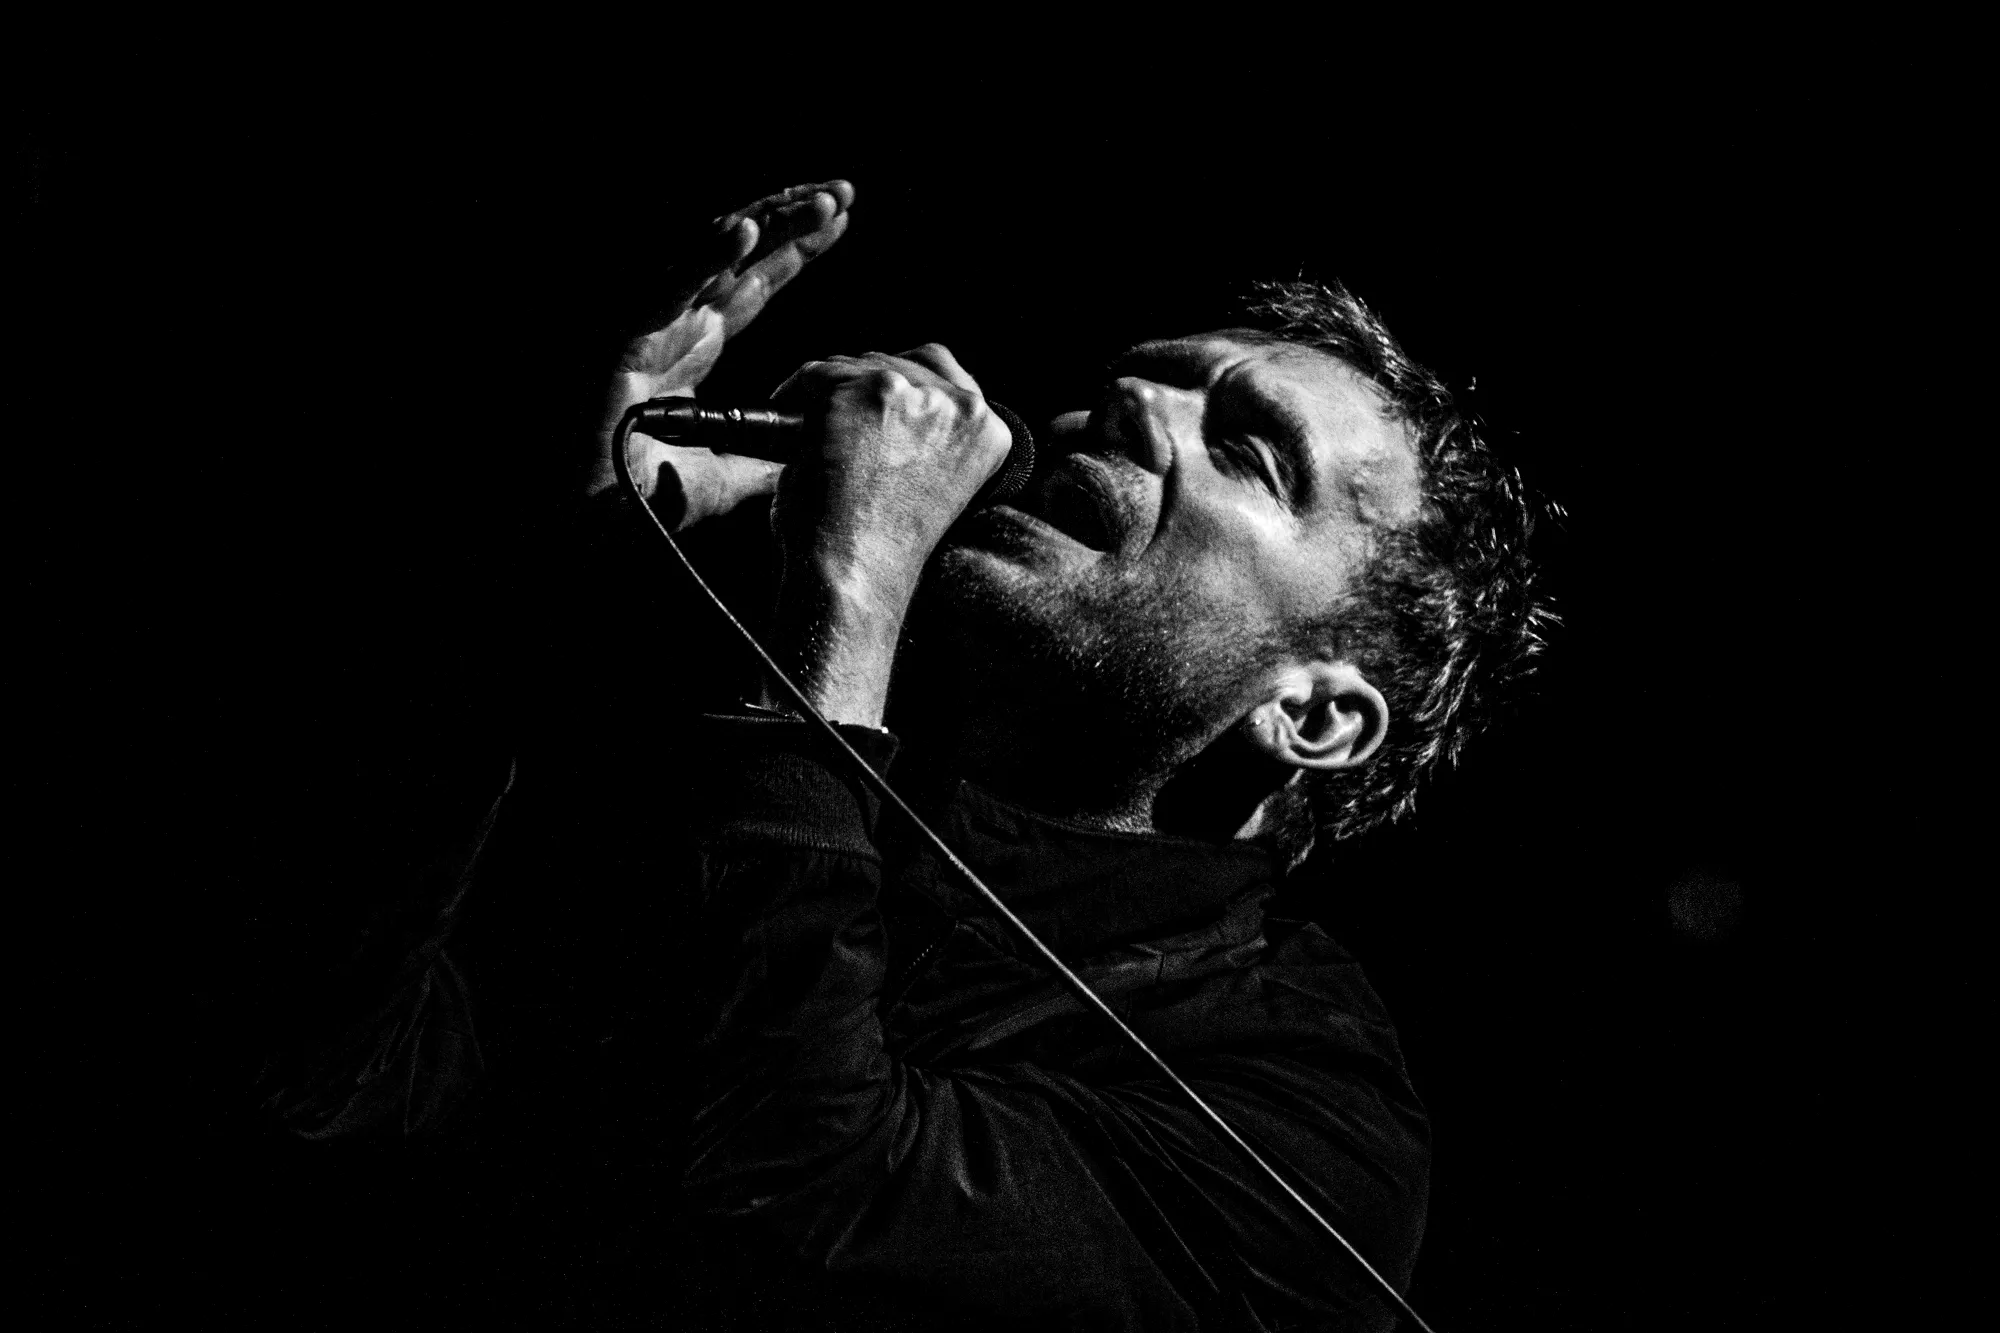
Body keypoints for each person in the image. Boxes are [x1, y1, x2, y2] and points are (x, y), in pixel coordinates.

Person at [259, 178, 1553, 1330]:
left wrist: (853, 587)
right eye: (1149, 374)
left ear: (1315, 719)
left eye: (1247, 452)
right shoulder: (714, 747)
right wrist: (563, 560)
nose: (1127, 401)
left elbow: (784, 1177)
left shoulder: (1304, 1125)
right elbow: (333, 1068)